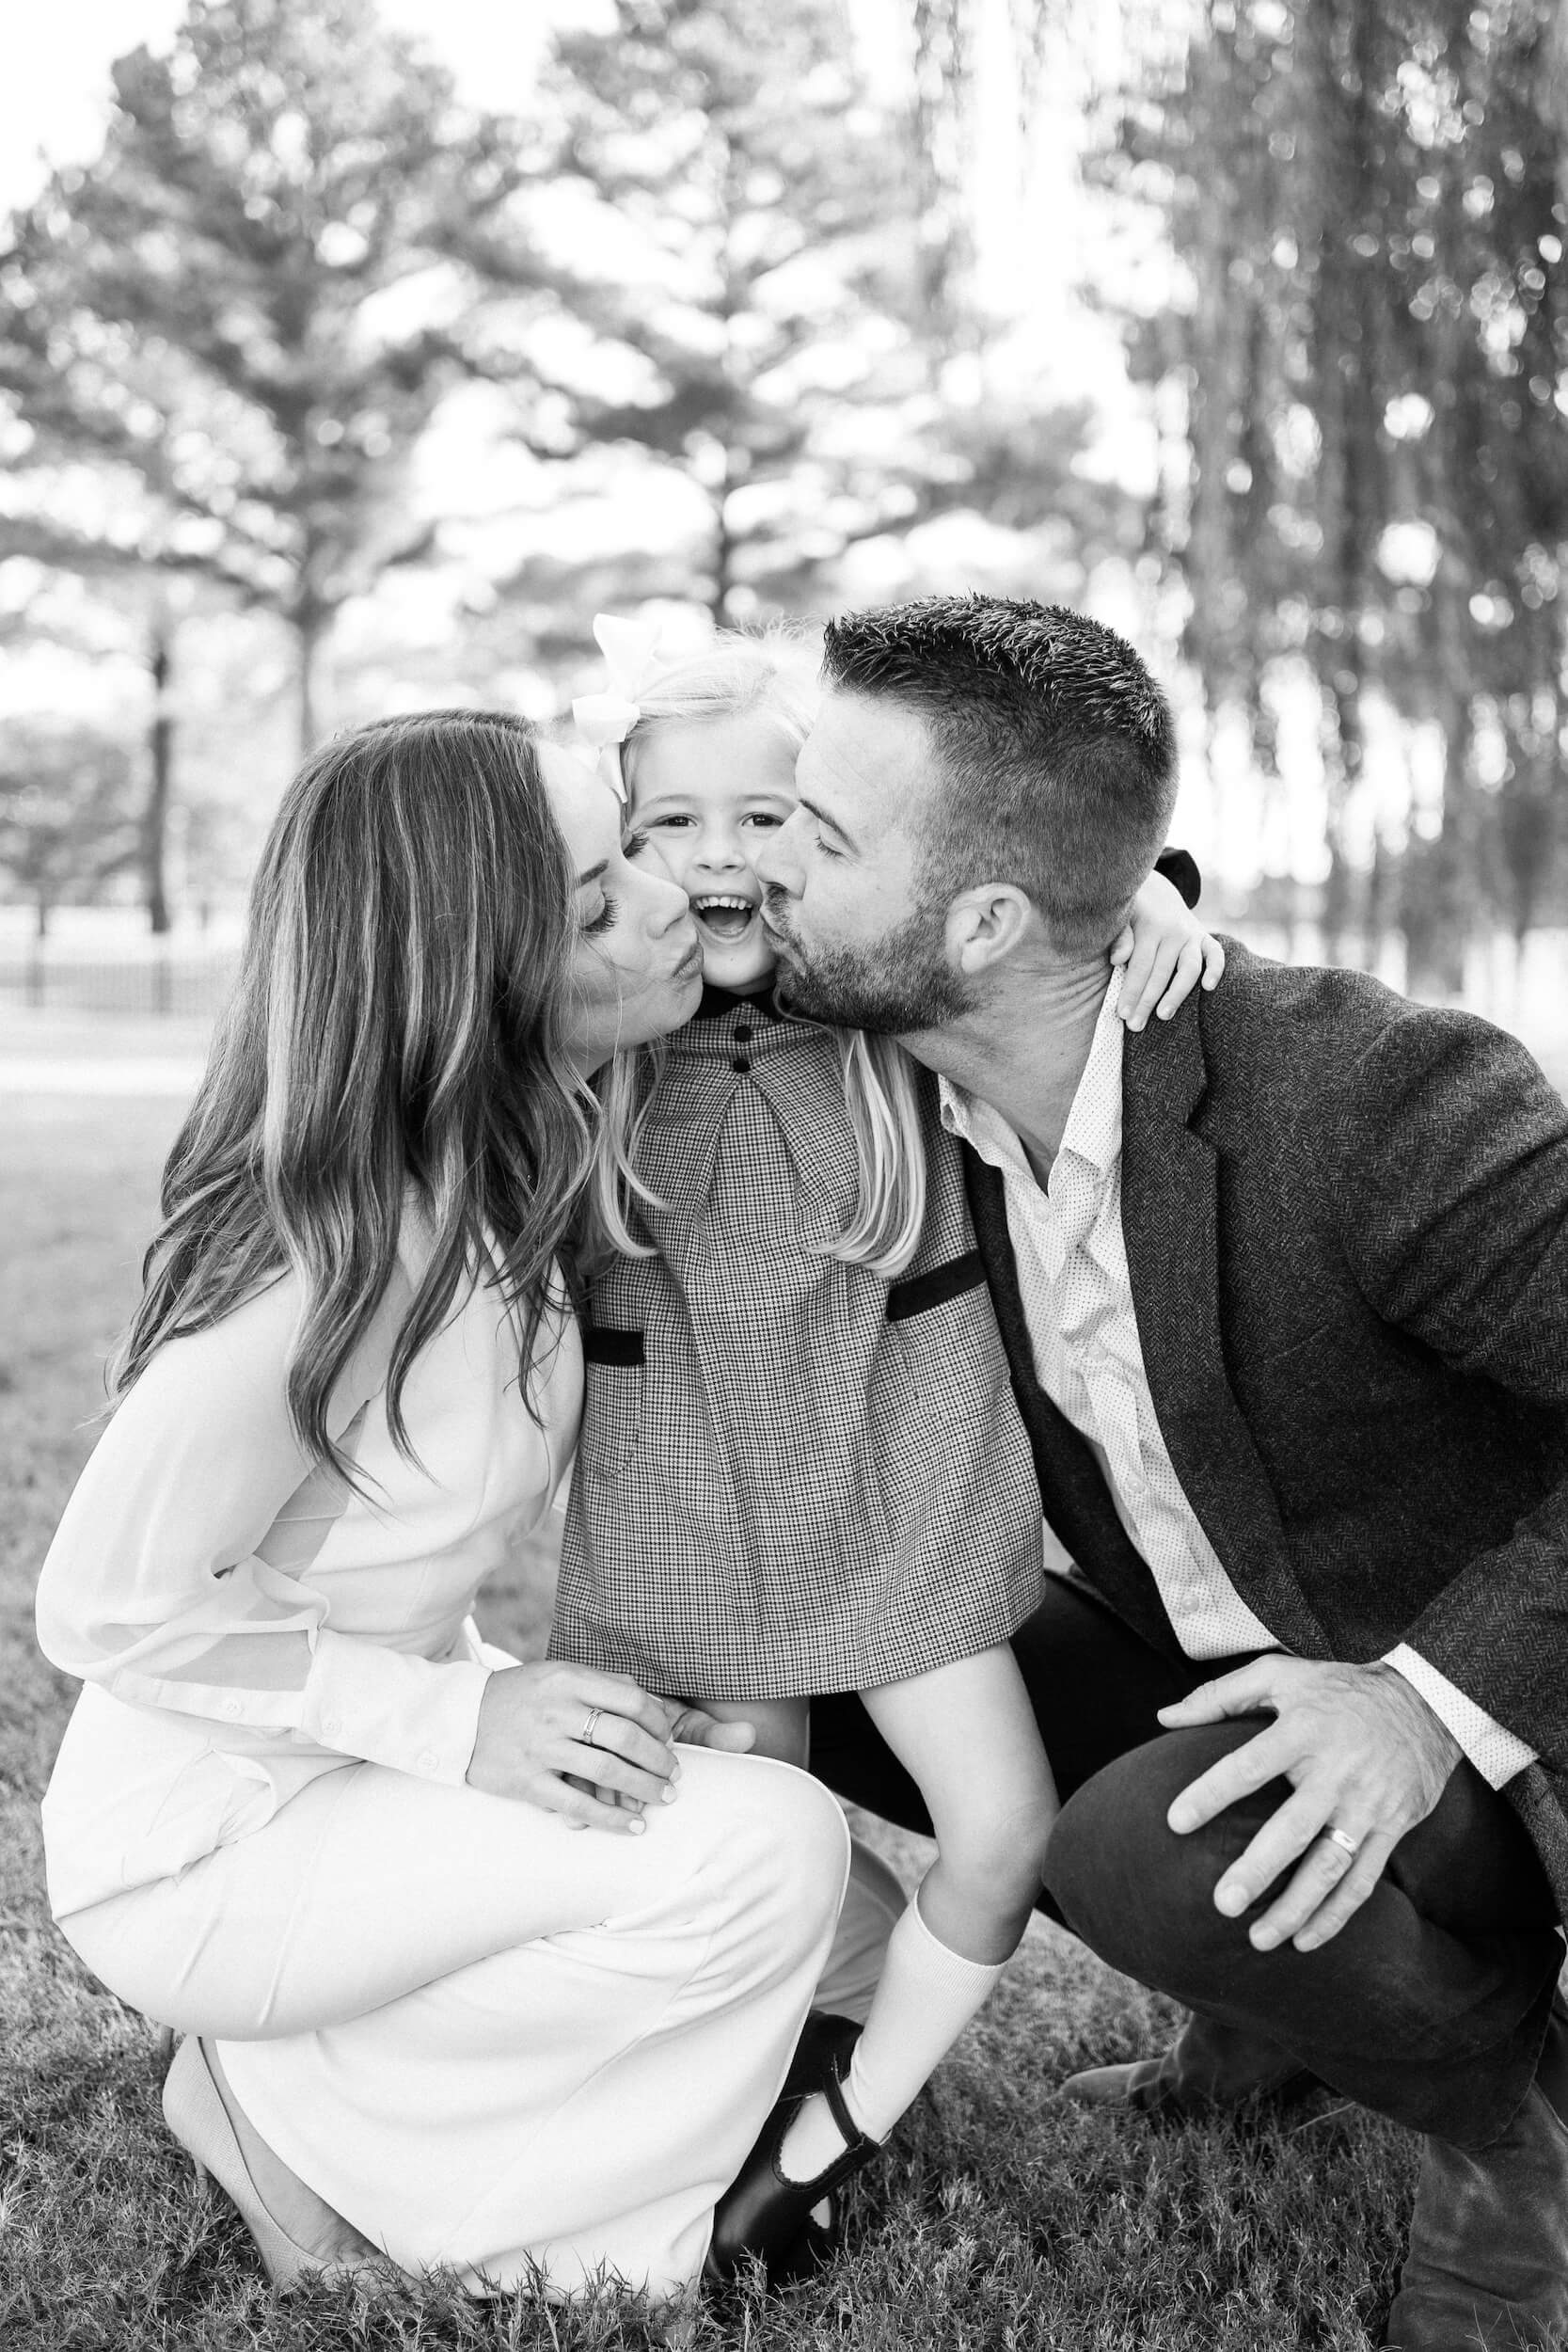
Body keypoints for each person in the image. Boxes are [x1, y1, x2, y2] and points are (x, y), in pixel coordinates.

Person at [755, 593, 1568, 2352]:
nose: (765, 870)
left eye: (816, 835)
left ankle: (1519, 2122)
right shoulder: (904, 1071)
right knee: (798, 1637)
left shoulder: (1369, 1098)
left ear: (978, 921)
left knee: (1146, 1852)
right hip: (1206, 1652)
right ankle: (1279, 2013)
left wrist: (1422, 1702)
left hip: (1481, 1741)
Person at [33, 708, 852, 2313]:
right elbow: (110, 1610)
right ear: (476, 980)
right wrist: (459, 1727)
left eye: (630, 847)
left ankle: (330, 2088)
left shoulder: (514, 1158)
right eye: (602, 894)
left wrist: (1150, 907)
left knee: (773, 1834)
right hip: (200, 1849)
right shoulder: (326, 1258)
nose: (673, 895)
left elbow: (873, 942)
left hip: (339, 1770)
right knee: (764, 1851)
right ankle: (312, 2127)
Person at [548, 621, 1224, 2274]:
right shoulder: (592, 1058)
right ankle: (747, 2104)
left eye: (768, 815)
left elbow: (1020, 904)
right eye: (666, 824)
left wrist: (1152, 895)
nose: (719, 855)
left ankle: (838, 2130)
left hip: (903, 1513)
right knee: (744, 1868)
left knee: (1000, 1834)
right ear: (613, 857)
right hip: (688, 1539)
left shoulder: (875, 1013)